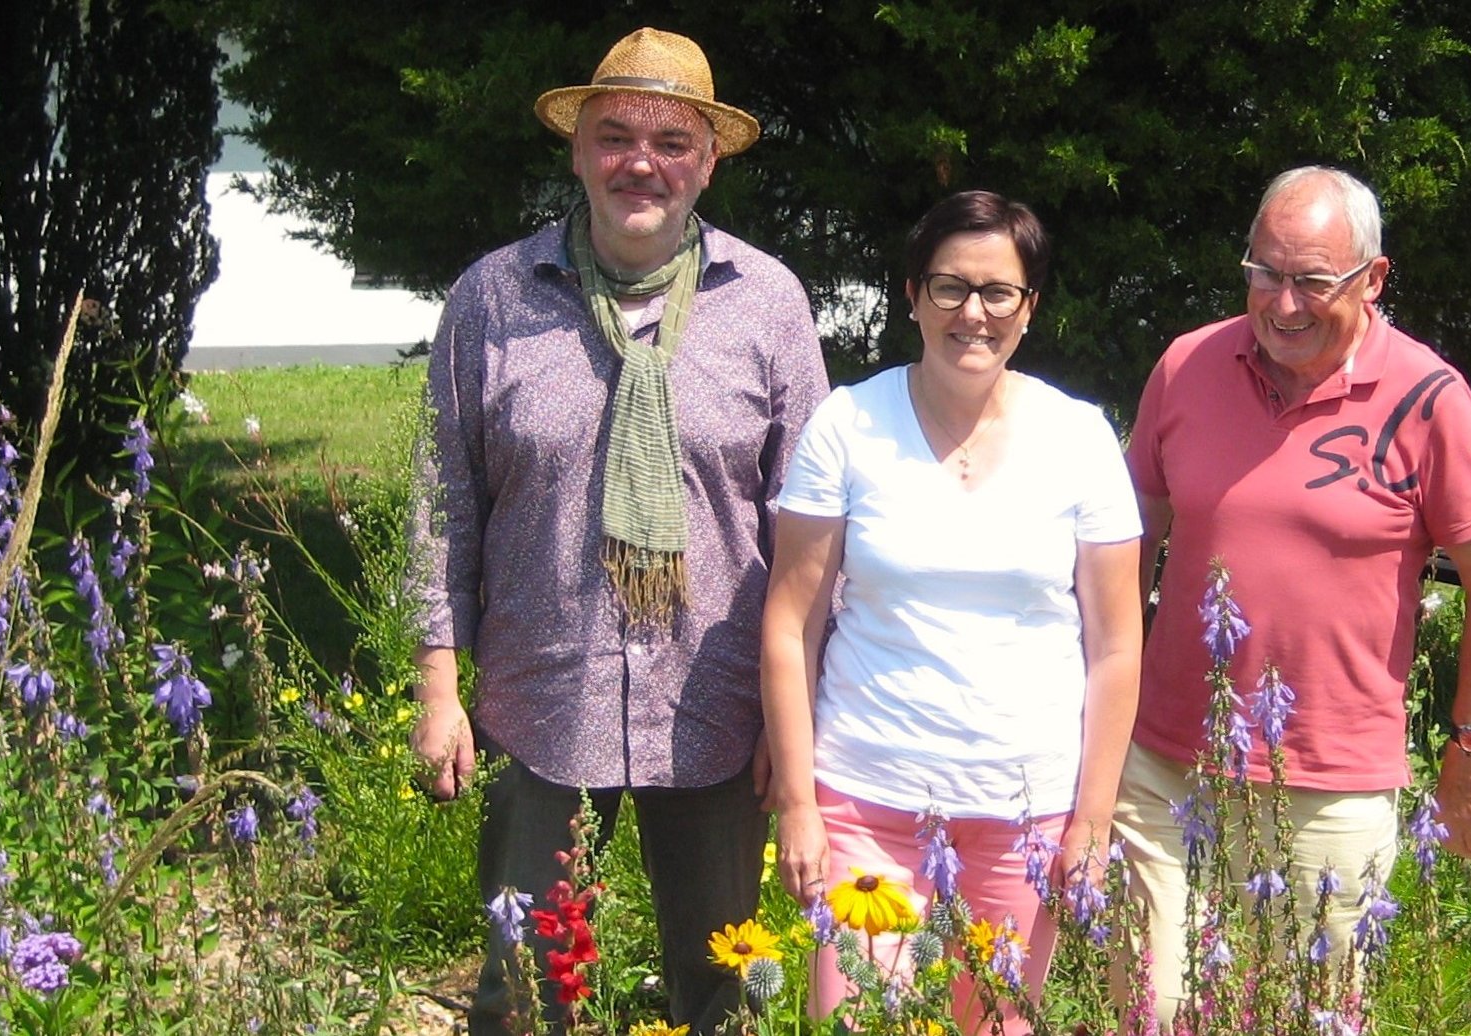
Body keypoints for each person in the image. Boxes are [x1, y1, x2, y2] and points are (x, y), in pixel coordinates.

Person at [407, 27, 829, 1036]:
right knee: (524, 985)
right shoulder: (491, 300)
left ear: (709, 160)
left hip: (716, 706)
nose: (643, 161)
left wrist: (792, 716)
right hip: (540, 701)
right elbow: (442, 504)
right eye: (617, 135)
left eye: (672, 141)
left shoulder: (767, 304)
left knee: (718, 984)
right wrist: (437, 689)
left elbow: (809, 532)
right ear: (576, 149)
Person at [1114, 166, 1471, 1019]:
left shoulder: (1426, 398)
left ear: (1373, 279)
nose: (1283, 303)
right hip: (1160, 765)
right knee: (1147, 1011)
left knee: (1311, 1013)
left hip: (1328, 786)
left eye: (1312, 280)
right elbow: (1126, 543)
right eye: (1265, 272)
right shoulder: (1187, 364)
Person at [760, 190, 1143, 1034]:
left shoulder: (1079, 439)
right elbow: (790, 624)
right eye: (948, 288)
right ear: (911, 295)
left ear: (1029, 307)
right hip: (866, 801)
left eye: (998, 292)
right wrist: (798, 802)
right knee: (855, 1021)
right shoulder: (847, 425)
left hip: (1026, 813)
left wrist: (1090, 817)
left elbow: (1117, 646)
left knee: (996, 1023)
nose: (973, 312)